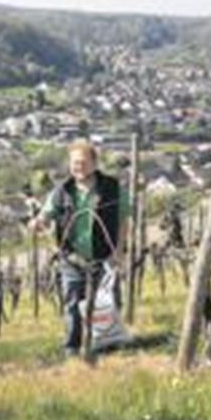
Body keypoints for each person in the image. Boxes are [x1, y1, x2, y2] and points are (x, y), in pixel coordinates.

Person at [28, 140, 129, 356]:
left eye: (83, 162)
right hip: (71, 258)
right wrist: (39, 222)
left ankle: (106, 345)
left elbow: (123, 220)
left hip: (104, 256)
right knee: (72, 304)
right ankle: (73, 348)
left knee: (107, 301)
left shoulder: (112, 188)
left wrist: (118, 251)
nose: (78, 168)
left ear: (94, 163)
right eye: (74, 163)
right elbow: (46, 215)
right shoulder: (62, 191)